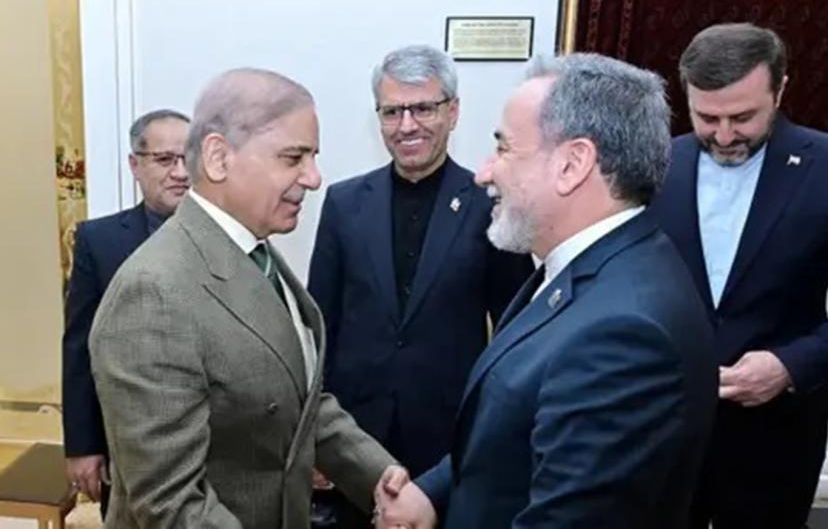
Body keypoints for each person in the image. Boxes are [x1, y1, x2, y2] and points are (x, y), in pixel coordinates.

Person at [375, 53, 718, 528]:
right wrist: (432, 494)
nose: (485, 173)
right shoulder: (584, 268)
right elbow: (511, 435)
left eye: (504, 149)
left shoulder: (625, 334)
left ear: (572, 165)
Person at [89, 68, 407, 528]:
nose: (314, 178)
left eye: (312, 157)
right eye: (293, 157)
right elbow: (172, 505)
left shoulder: (255, 253)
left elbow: (299, 402)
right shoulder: (153, 293)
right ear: (219, 158)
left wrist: (382, 479)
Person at [307, 45, 534, 527]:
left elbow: (515, 331)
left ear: (453, 112)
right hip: (354, 439)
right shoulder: (344, 203)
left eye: (423, 108)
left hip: (448, 442)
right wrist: (315, 437)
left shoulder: (489, 205)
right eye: (392, 112)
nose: (407, 125)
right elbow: (318, 326)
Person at [650, 22, 828, 528]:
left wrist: (790, 365)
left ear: (781, 90)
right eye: (707, 117)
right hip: (663, 427)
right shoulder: (656, 165)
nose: (724, 136)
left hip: (776, 438)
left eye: (743, 117)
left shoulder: (823, 168)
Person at [62, 108, 190, 516]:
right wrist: (83, 445)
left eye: (188, 158)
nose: (180, 172)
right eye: (165, 159)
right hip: (129, 443)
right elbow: (80, 349)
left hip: (214, 442)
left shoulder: (233, 237)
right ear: (135, 165)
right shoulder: (98, 242)